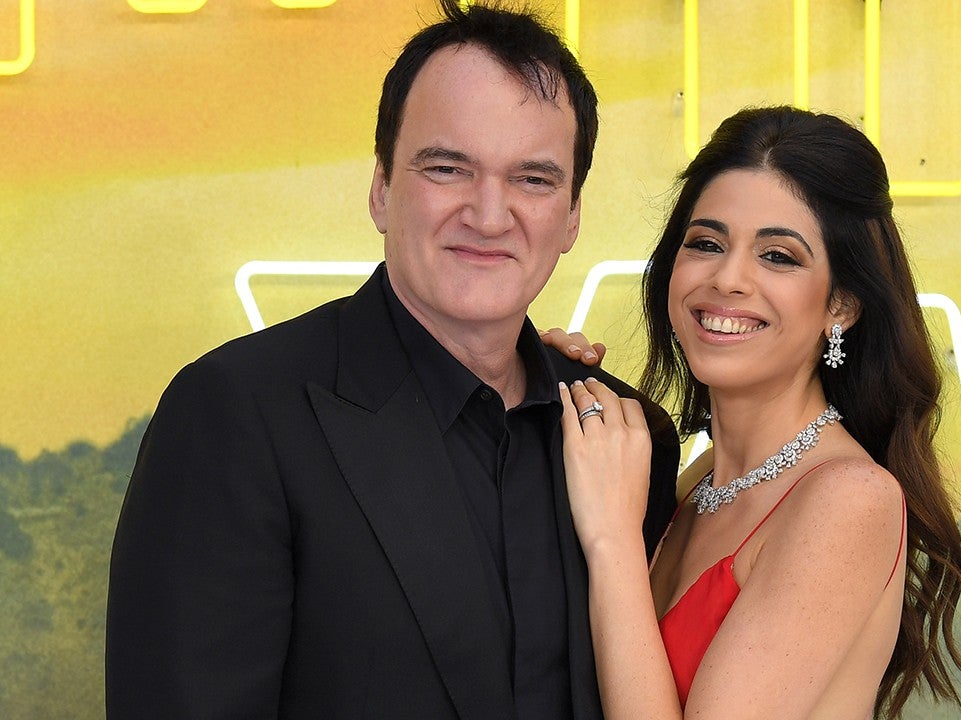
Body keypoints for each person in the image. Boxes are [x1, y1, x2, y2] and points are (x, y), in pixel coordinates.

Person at [105, 2, 678, 718]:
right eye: (448, 168)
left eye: (533, 179)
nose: (489, 215)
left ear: (572, 215)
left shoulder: (627, 437)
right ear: (380, 189)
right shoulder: (237, 416)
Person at [546, 106, 961, 719]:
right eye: (706, 244)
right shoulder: (698, 485)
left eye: (778, 256)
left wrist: (612, 537)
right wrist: (542, 385)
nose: (728, 278)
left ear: (842, 304)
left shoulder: (849, 500)